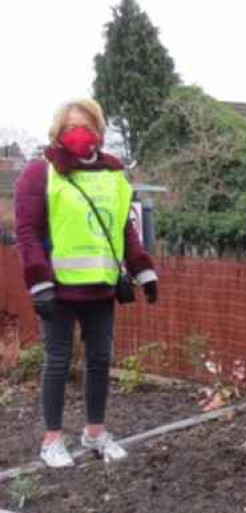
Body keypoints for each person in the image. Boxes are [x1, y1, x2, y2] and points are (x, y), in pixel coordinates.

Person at [14, 98, 159, 468]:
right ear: (58, 132)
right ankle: (52, 441)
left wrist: (143, 270)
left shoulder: (113, 174)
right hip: (58, 289)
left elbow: (124, 227)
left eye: (87, 125)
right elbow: (28, 232)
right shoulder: (40, 172)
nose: (79, 133)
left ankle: (95, 432)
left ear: (99, 130)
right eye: (70, 127)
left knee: (99, 360)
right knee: (58, 361)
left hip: (101, 286)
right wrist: (38, 282)